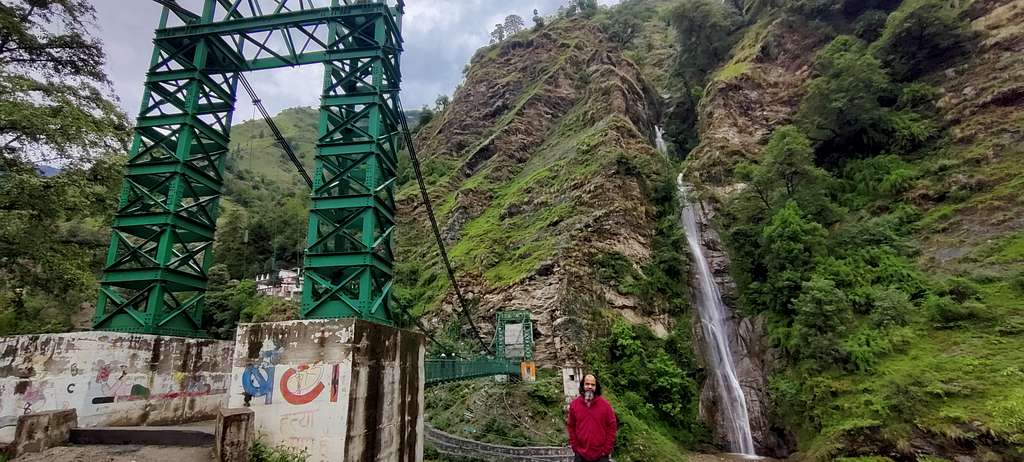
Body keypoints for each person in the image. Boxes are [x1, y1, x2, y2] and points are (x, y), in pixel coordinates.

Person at [566, 373, 617, 462]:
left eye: (593, 385)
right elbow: (571, 426)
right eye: (587, 384)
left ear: (596, 387)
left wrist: (606, 449)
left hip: (601, 455)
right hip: (581, 455)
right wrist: (575, 447)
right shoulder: (574, 405)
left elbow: (612, 427)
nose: (590, 387)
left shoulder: (605, 406)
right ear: (582, 385)